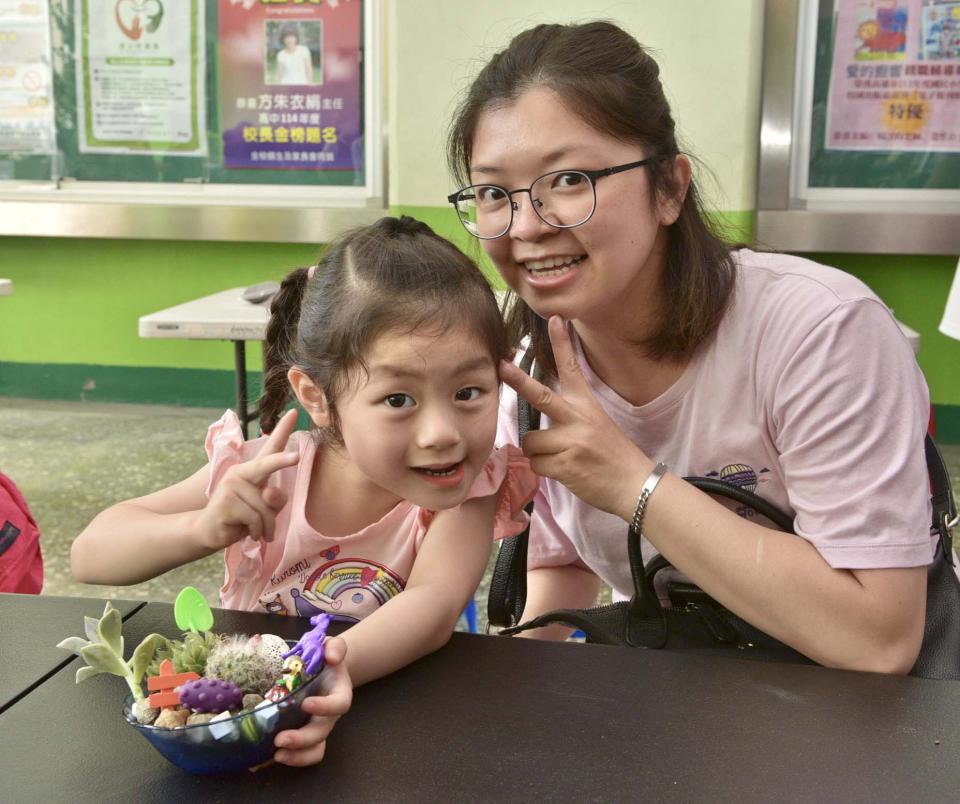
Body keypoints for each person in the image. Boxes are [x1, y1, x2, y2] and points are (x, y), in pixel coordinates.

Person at [445, 21, 933, 674]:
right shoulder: (534, 378)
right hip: (678, 712)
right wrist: (517, 685)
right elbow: (564, 563)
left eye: (567, 180)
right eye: (494, 193)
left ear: (669, 188)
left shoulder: (816, 332)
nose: (527, 225)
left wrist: (633, 484)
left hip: (852, 727)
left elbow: (881, 640)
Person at [71, 216, 538, 764]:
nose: (442, 434)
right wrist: (201, 528)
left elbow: (432, 604)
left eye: (468, 391)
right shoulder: (269, 469)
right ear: (316, 398)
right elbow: (89, 554)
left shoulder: (464, 492)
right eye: (398, 400)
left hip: (391, 733)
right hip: (241, 720)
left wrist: (318, 674)